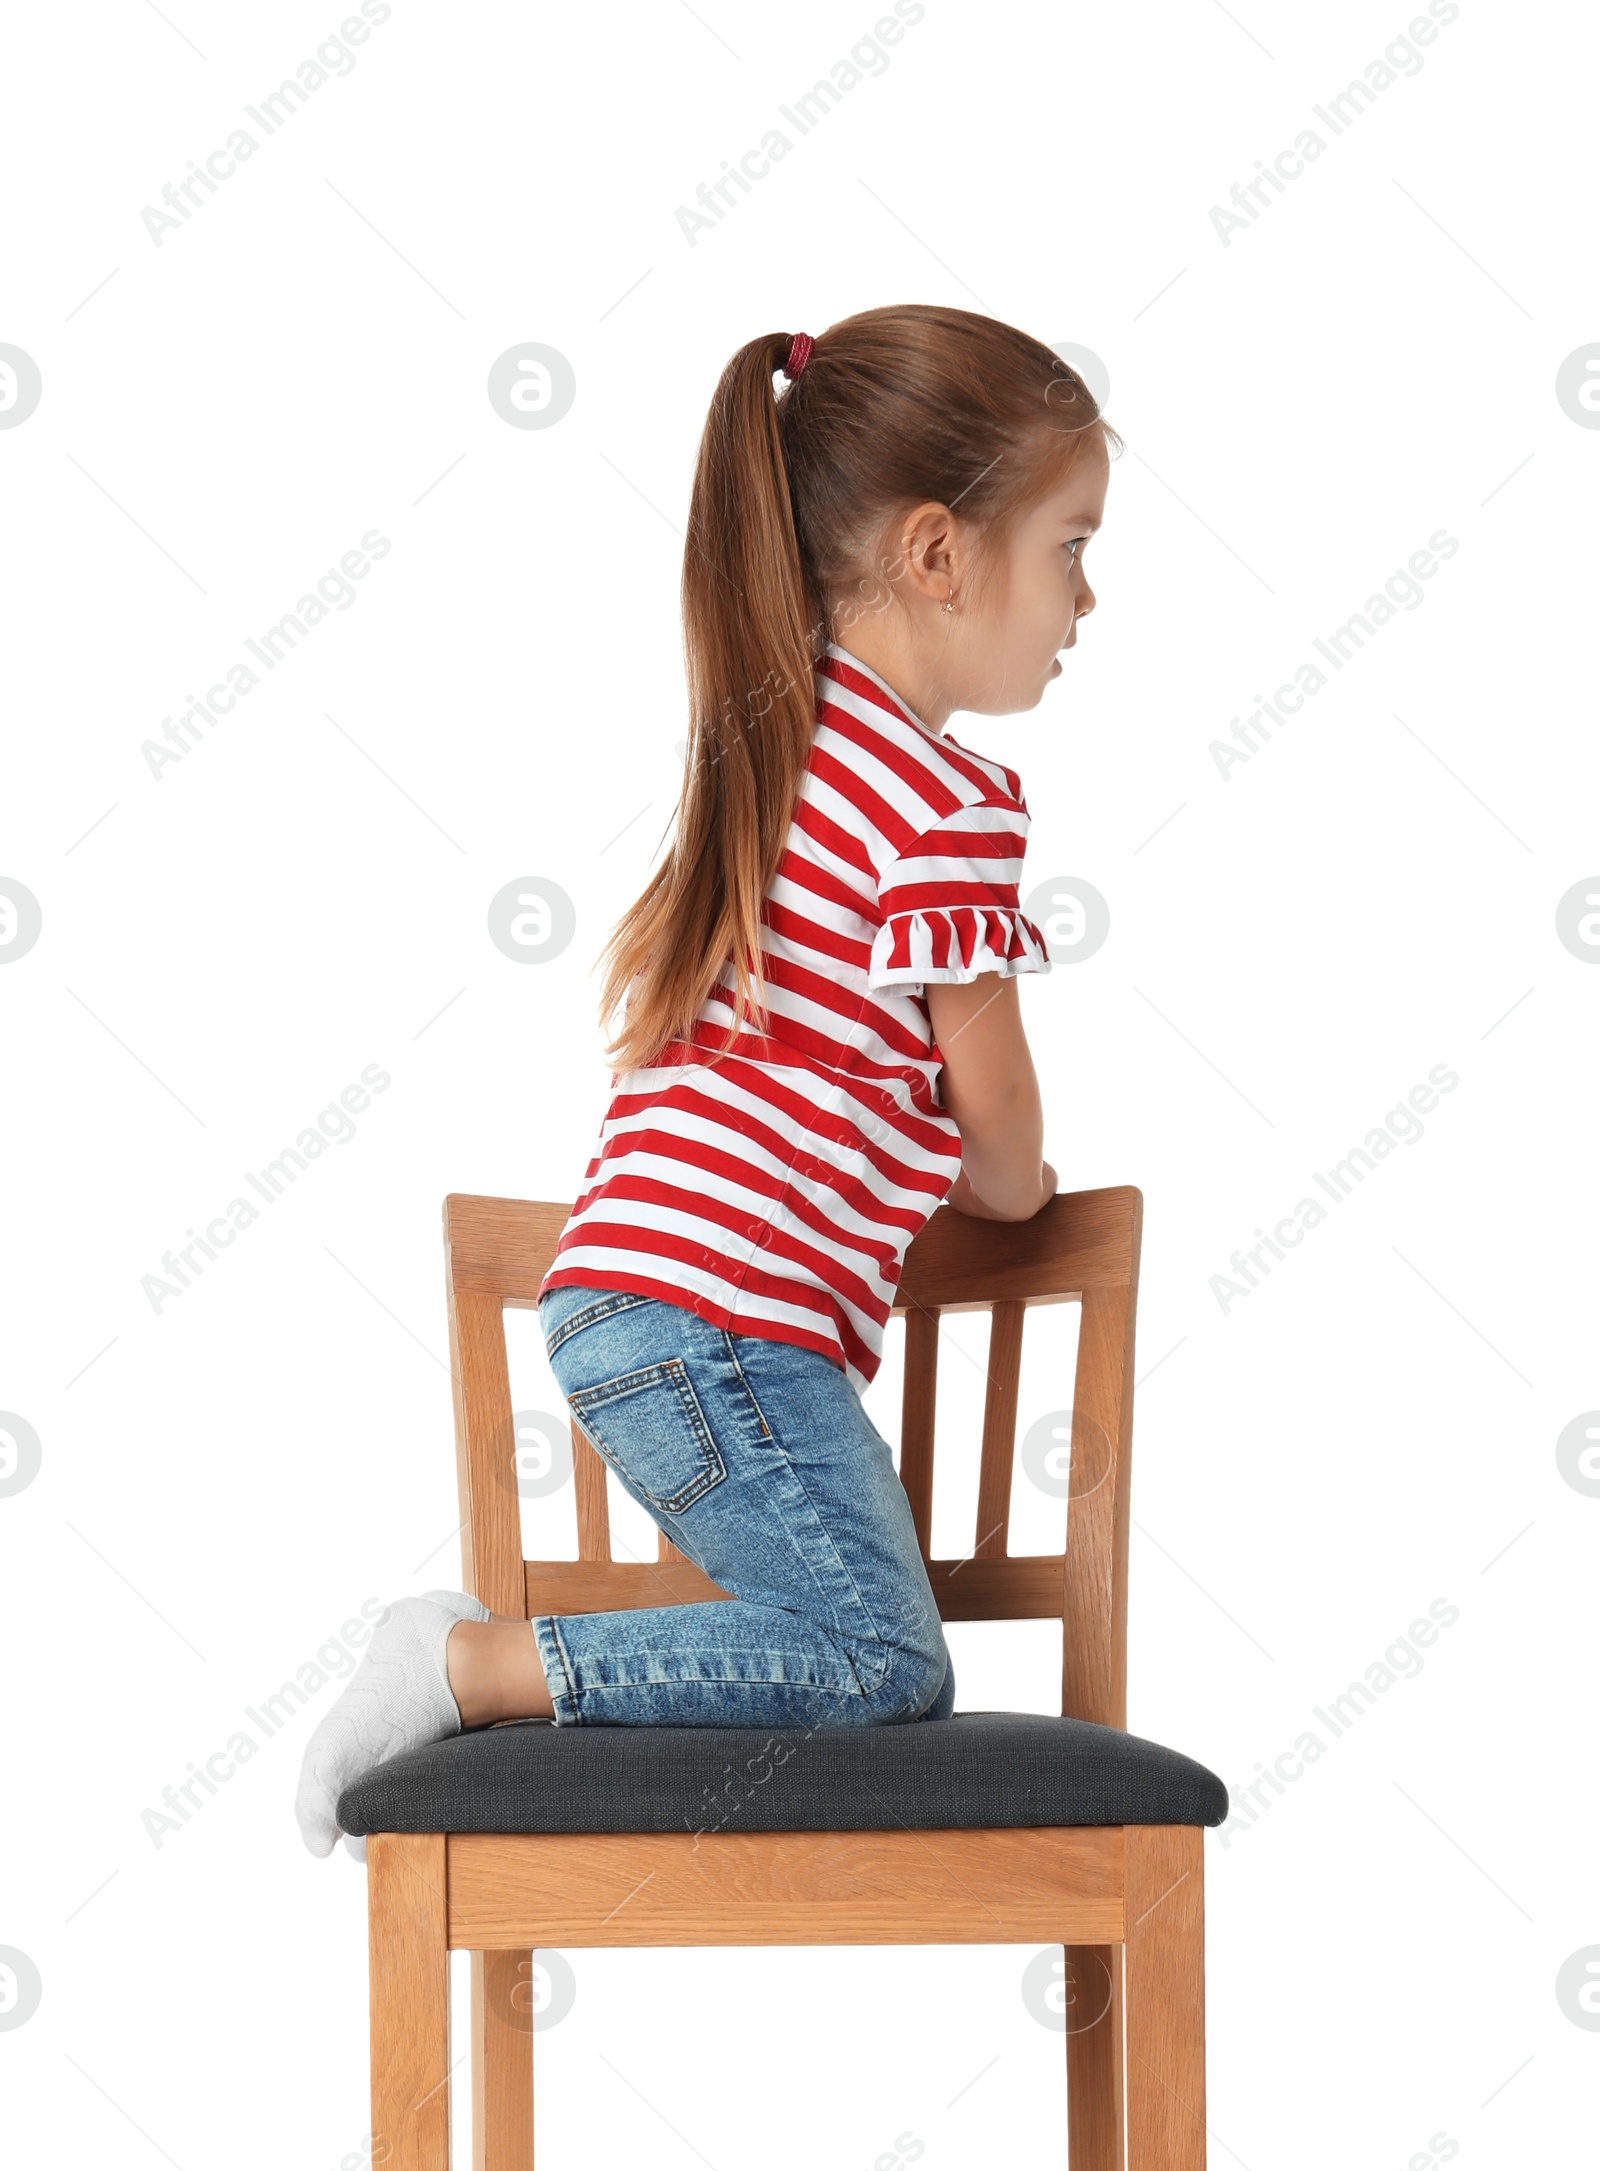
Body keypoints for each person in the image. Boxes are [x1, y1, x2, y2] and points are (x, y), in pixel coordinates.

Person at [296, 302, 1113, 1855]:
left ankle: (485, 1665)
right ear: (940, 555)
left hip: (639, 1308)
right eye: (1070, 545)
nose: (1091, 595)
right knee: (882, 1660)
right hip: (715, 1326)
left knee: (855, 1641)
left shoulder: (780, 742)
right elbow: (998, 1120)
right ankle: (471, 1662)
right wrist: (1016, 1197)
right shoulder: (943, 802)